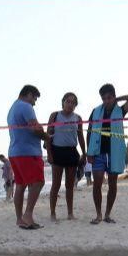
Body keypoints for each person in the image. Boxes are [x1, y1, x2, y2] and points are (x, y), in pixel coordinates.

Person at [86, 83, 128, 225]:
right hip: (97, 152)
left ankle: (107, 214)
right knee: (97, 184)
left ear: (113, 97)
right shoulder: (95, 111)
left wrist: (117, 99)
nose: (106, 101)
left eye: (109, 97)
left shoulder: (120, 110)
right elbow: (89, 131)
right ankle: (98, 214)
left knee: (113, 184)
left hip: (115, 153)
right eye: (104, 98)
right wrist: (88, 152)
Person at [7, 85, 50, 229]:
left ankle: (20, 218)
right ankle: (28, 214)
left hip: (14, 152)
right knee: (38, 182)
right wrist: (47, 137)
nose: (34, 103)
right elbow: (35, 129)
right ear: (29, 94)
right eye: (34, 99)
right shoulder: (26, 106)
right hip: (28, 152)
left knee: (21, 185)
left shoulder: (12, 108)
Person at [46, 92, 86, 222]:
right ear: (63, 102)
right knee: (56, 185)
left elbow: (80, 137)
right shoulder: (55, 116)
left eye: (73, 103)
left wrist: (84, 153)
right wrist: (49, 154)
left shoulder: (78, 118)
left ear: (75, 105)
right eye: (68, 101)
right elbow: (48, 136)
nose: (70, 104)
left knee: (70, 185)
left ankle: (70, 213)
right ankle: (52, 213)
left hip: (72, 152)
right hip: (57, 152)